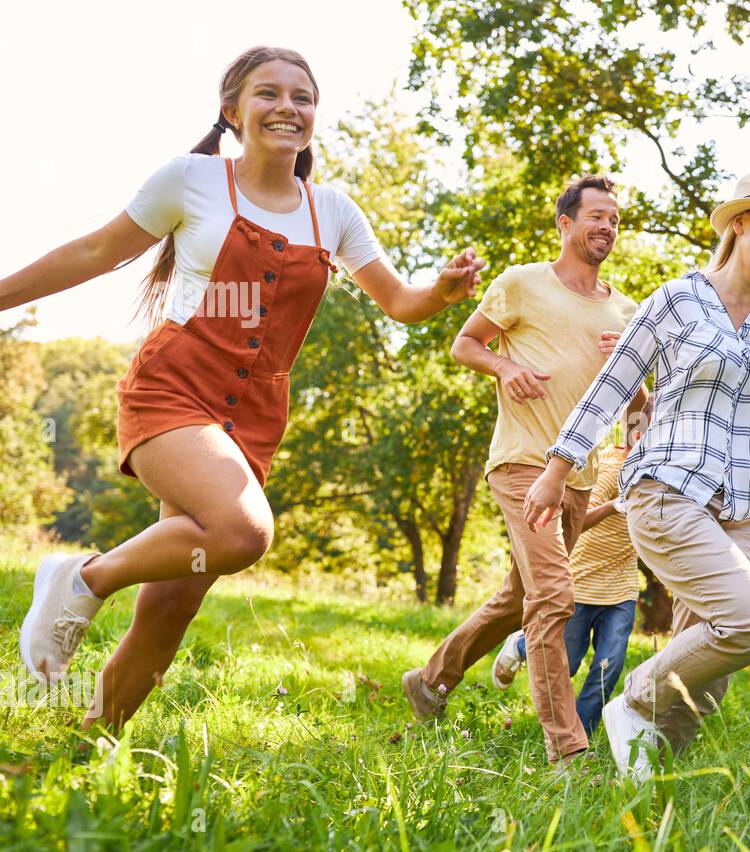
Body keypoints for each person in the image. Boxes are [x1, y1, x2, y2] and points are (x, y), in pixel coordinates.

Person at [2, 46, 485, 730]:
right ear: (232, 111)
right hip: (172, 393)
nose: (288, 107)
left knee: (172, 607)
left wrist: (440, 291)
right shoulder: (192, 180)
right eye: (269, 94)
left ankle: (91, 749)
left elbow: (399, 302)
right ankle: (81, 577)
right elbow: (94, 252)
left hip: (251, 422)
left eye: (303, 97)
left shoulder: (333, 213)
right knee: (242, 531)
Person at [524, 167, 750, 782]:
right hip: (666, 491)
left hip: (738, 509)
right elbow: (611, 386)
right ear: (740, 222)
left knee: (706, 687)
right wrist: (558, 468)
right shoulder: (677, 299)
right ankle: (632, 697)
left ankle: (641, 793)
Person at [401, 175, 649, 766]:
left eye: (615, 219)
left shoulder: (627, 311)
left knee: (518, 595)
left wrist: (637, 370)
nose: (607, 227)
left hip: (579, 474)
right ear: (565, 224)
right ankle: (568, 749)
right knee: (554, 595)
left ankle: (431, 679)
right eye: (596, 217)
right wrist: (503, 368)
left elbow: (638, 405)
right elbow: (465, 344)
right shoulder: (521, 284)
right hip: (521, 462)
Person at [491, 395, 653, 736]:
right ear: (636, 430)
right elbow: (574, 524)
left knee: (609, 667)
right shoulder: (609, 469)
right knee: (570, 659)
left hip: (622, 587)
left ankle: (581, 735)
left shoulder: (656, 475)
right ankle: (520, 645)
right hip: (582, 581)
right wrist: (615, 506)